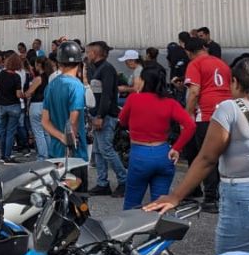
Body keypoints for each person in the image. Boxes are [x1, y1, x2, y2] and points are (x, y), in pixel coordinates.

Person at [147, 59, 249, 255]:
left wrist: (175, 196)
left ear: (235, 82)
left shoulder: (230, 109)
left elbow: (207, 159)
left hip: (247, 200)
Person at [118, 67, 195, 210]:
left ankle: (130, 232)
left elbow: (122, 121)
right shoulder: (170, 102)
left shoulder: (134, 98)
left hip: (139, 154)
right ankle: (161, 232)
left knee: (131, 204)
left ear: (144, 81)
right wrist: (177, 148)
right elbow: (190, 125)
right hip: (164, 153)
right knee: (160, 205)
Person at [183, 37, 232, 213]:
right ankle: (227, 195)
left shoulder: (195, 64)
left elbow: (194, 91)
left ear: (188, 52)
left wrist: (187, 114)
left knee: (207, 156)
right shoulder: (222, 63)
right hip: (227, 112)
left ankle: (211, 198)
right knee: (225, 156)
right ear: (204, 47)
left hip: (207, 114)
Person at [86, 41, 128, 196]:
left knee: (106, 149)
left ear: (95, 53)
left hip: (106, 116)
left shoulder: (107, 69)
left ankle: (124, 180)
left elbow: (107, 95)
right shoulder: (96, 69)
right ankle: (102, 183)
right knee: (97, 151)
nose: (87, 55)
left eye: (89, 52)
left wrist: (100, 116)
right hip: (97, 115)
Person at [41, 41, 90, 168]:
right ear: (80, 64)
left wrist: (61, 137)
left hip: (55, 151)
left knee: (57, 186)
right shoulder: (77, 86)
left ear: (58, 63)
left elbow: (45, 121)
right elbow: (73, 121)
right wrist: (68, 141)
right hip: (74, 154)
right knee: (75, 187)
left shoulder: (51, 86)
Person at [0, 54, 24, 164]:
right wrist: (24, 95)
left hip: (2, 106)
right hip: (14, 106)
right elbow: (18, 94)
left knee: (3, 132)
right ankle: (7, 156)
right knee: (10, 132)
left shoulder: (1, 74)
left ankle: (2, 155)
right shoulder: (17, 77)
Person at [25, 57, 53, 160]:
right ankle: (50, 155)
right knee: (47, 132)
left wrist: (25, 93)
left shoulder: (38, 78)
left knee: (38, 132)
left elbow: (29, 93)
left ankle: (42, 156)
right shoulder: (51, 77)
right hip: (47, 106)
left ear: (39, 65)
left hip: (37, 105)